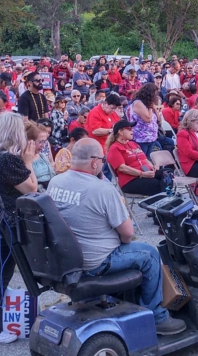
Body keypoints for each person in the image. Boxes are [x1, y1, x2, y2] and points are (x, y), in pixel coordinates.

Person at [47, 138, 187, 336]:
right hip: (96, 261)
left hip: (68, 258)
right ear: (94, 162)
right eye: (102, 160)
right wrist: (122, 241)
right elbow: (127, 233)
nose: (103, 164)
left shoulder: (55, 182)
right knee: (149, 254)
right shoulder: (102, 189)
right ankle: (158, 317)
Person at [0, 113, 40, 344]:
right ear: (16, 133)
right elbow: (31, 188)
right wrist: (29, 162)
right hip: (8, 225)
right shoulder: (7, 160)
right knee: (1, 276)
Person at [107, 120, 167, 195]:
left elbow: (145, 159)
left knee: (167, 173)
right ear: (121, 132)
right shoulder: (115, 148)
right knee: (156, 184)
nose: (132, 130)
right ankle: (165, 200)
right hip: (130, 180)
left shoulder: (133, 144)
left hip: (146, 173)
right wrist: (142, 174)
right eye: (129, 129)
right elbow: (122, 168)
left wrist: (153, 167)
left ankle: (166, 197)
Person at [128, 83, 162, 156]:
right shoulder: (138, 103)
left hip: (151, 138)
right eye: (154, 94)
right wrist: (150, 107)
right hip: (141, 138)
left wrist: (154, 108)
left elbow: (159, 119)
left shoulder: (149, 104)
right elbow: (147, 119)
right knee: (142, 160)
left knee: (149, 159)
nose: (155, 97)